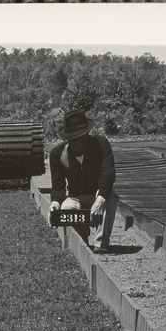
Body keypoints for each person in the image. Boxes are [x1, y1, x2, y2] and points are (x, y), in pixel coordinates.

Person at [49, 108, 118, 254]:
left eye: (79, 138)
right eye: (72, 140)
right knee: (66, 208)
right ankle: (82, 242)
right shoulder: (57, 154)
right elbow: (58, 186)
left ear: (86, 135)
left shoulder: (100, 144)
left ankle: (101, 243)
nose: (76, 144)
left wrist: (99, 200)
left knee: (110, 196)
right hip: (76, 196)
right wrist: (54, 203)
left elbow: (108, 173)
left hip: (97, 193)